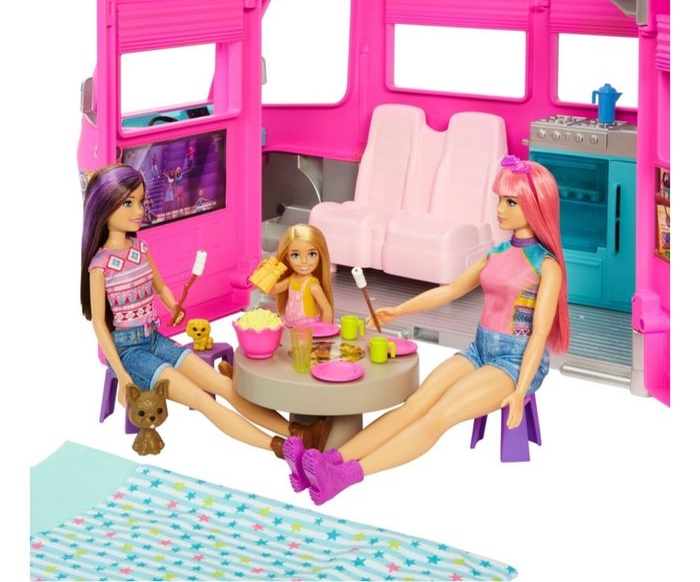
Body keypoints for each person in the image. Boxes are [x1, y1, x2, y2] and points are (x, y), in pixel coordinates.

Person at [282, 156, 570, 504]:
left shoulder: (546, 266)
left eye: (511, 202)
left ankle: (345, 476)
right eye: (500, 200)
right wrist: (399, 310)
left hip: (515, 360)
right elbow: (451, 290)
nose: (499, 209)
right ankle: (328, 462)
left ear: (535, 206)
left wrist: (520, 389)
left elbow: (539, 334)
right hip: (480, 348)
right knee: (415, 404)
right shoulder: (496, 253)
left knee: (438, 415)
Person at [80, 164, 330, 456]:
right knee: (202, 400)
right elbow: (99, 325)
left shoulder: (140, 248)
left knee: (224, 385)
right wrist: (123, 374)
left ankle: (298, 433)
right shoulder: (100, 266)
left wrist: (173, 305)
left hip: (154, 339)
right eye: (128, 203)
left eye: (140, 201)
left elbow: (160, 286)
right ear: (105, 207)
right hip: (129, 351)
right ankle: (282, 448)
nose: (138, 210)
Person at [260, 224, 334, 327]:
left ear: (320, 256)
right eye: (295, 255)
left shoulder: (313, 286)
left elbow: (327, 309)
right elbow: (271, 291)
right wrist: (264, 274)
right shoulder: (292, 279)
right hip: (290, 324)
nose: (304, 261)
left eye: (311, 254)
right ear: (287, 257)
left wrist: (325, 330)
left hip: (307, 326)